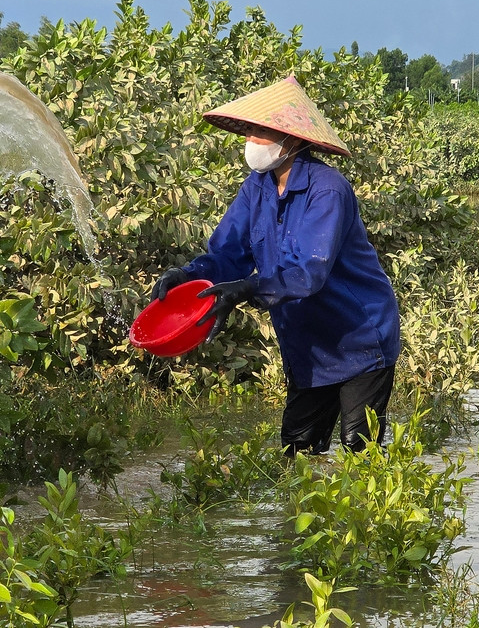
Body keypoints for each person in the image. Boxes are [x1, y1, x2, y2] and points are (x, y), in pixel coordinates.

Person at [151, 76, 402, 455]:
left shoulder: (327, 189)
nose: (251, 140)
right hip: (307, 343)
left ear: (293, 140)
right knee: (298, 452)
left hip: (359, 337)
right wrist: (188, 275)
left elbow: (308, 271)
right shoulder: (257, 187)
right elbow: (228, 253)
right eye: (250, 131)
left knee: (360, 450)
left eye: (262, 132)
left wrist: (248, 288)